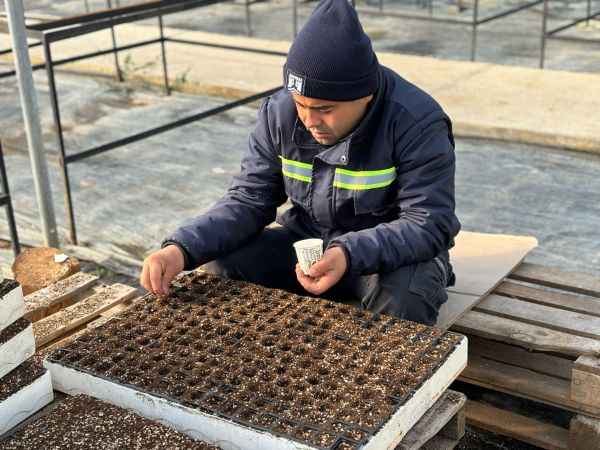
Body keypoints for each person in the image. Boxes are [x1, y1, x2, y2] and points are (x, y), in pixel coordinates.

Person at [140, 0, 461, 326]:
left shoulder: (415, 122)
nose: (309, 120)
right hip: (309, 244)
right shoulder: (280, 115)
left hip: (385, 258)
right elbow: (249, 199)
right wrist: (181, 248)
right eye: (300, 103)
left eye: (324, 108)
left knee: (406, 298)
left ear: (365, 94)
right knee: (221, 264)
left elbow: (428, 222)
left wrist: (347, 253)